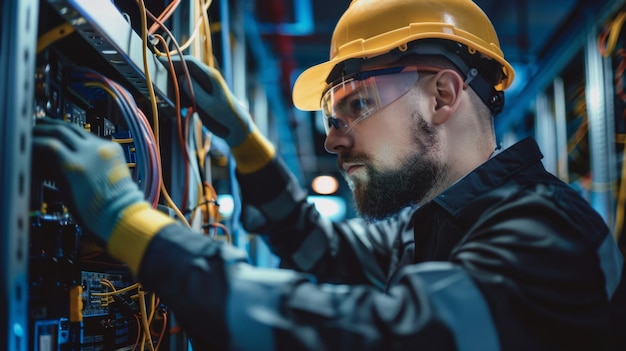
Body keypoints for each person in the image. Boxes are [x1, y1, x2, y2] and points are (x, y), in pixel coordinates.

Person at [32, 0, 626, 350]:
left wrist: (131, 223)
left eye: (357, 105)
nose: (330, 136)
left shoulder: (548, 238)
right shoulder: (435, 227)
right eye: (330, 113)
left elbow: (371, 336)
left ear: (443, 95)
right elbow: (317, 247)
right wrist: (244, 139)